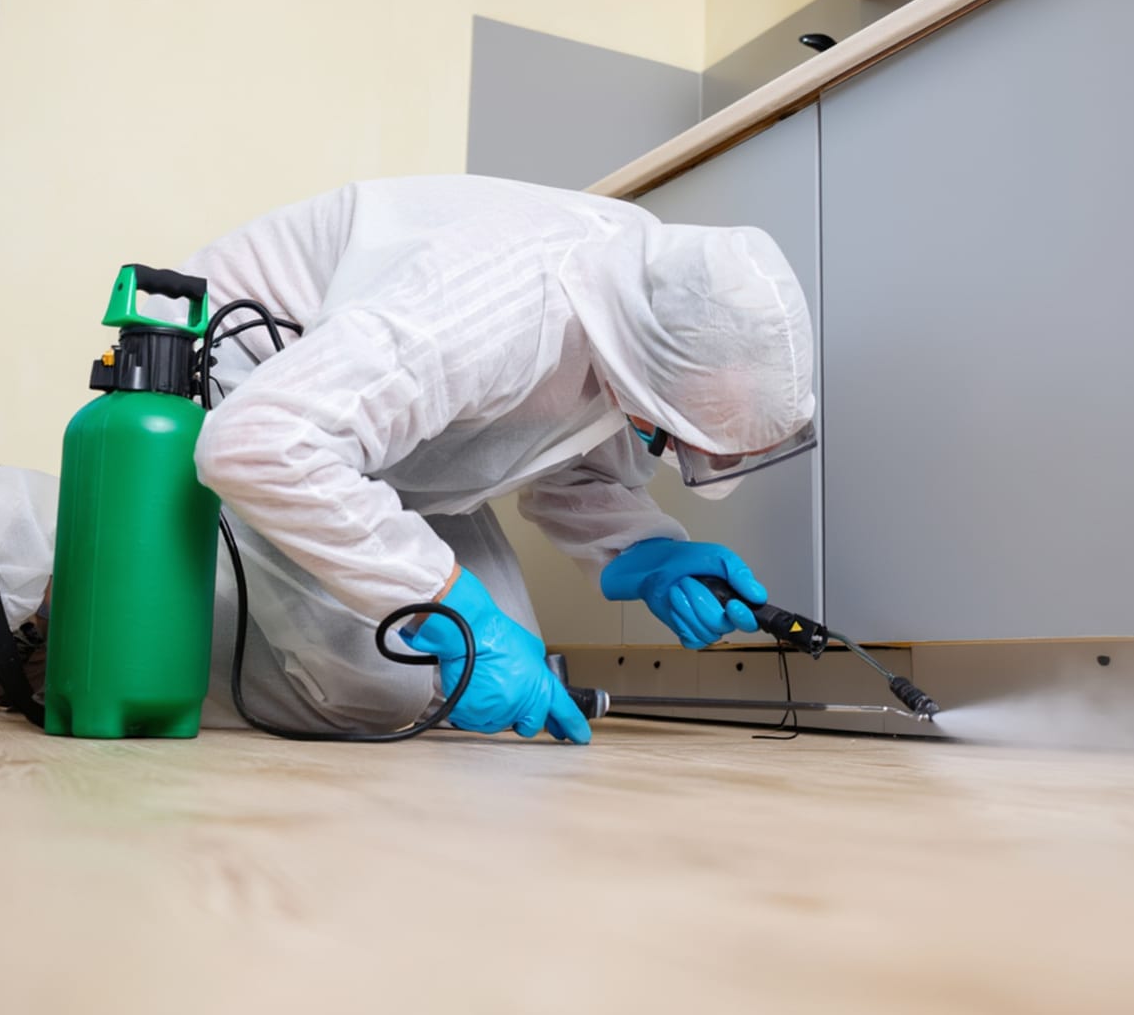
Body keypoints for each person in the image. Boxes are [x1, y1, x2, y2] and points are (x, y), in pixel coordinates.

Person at [179, 174, 817, 745]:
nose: (671, 452)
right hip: (239, 379)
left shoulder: (646, 305)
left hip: (380, 441)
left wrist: (645, 550)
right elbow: (264, 440)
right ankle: (134, 638)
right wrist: (459, 613)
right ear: (651, 372)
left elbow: (559, 440)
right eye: (672, 436)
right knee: (384, 689)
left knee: (486, 674)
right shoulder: (501, 301)